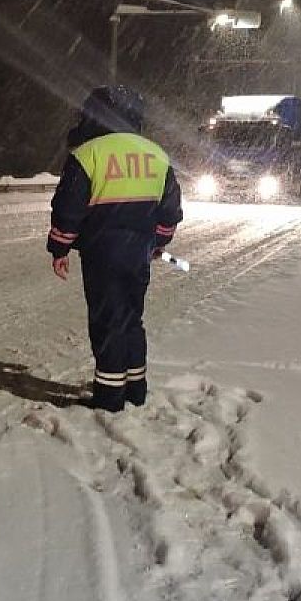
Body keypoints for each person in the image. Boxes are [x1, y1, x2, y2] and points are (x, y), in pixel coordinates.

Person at [47, 86, 183, 412]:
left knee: (108, 321)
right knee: (131, 318)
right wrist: (158, 243)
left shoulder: (88, 154)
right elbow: (170, 211)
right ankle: (136, 389)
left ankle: (109, 399)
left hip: (102, 253)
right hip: (139, 254)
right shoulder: (156, 154)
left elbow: (69, 209)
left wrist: (60, 248)